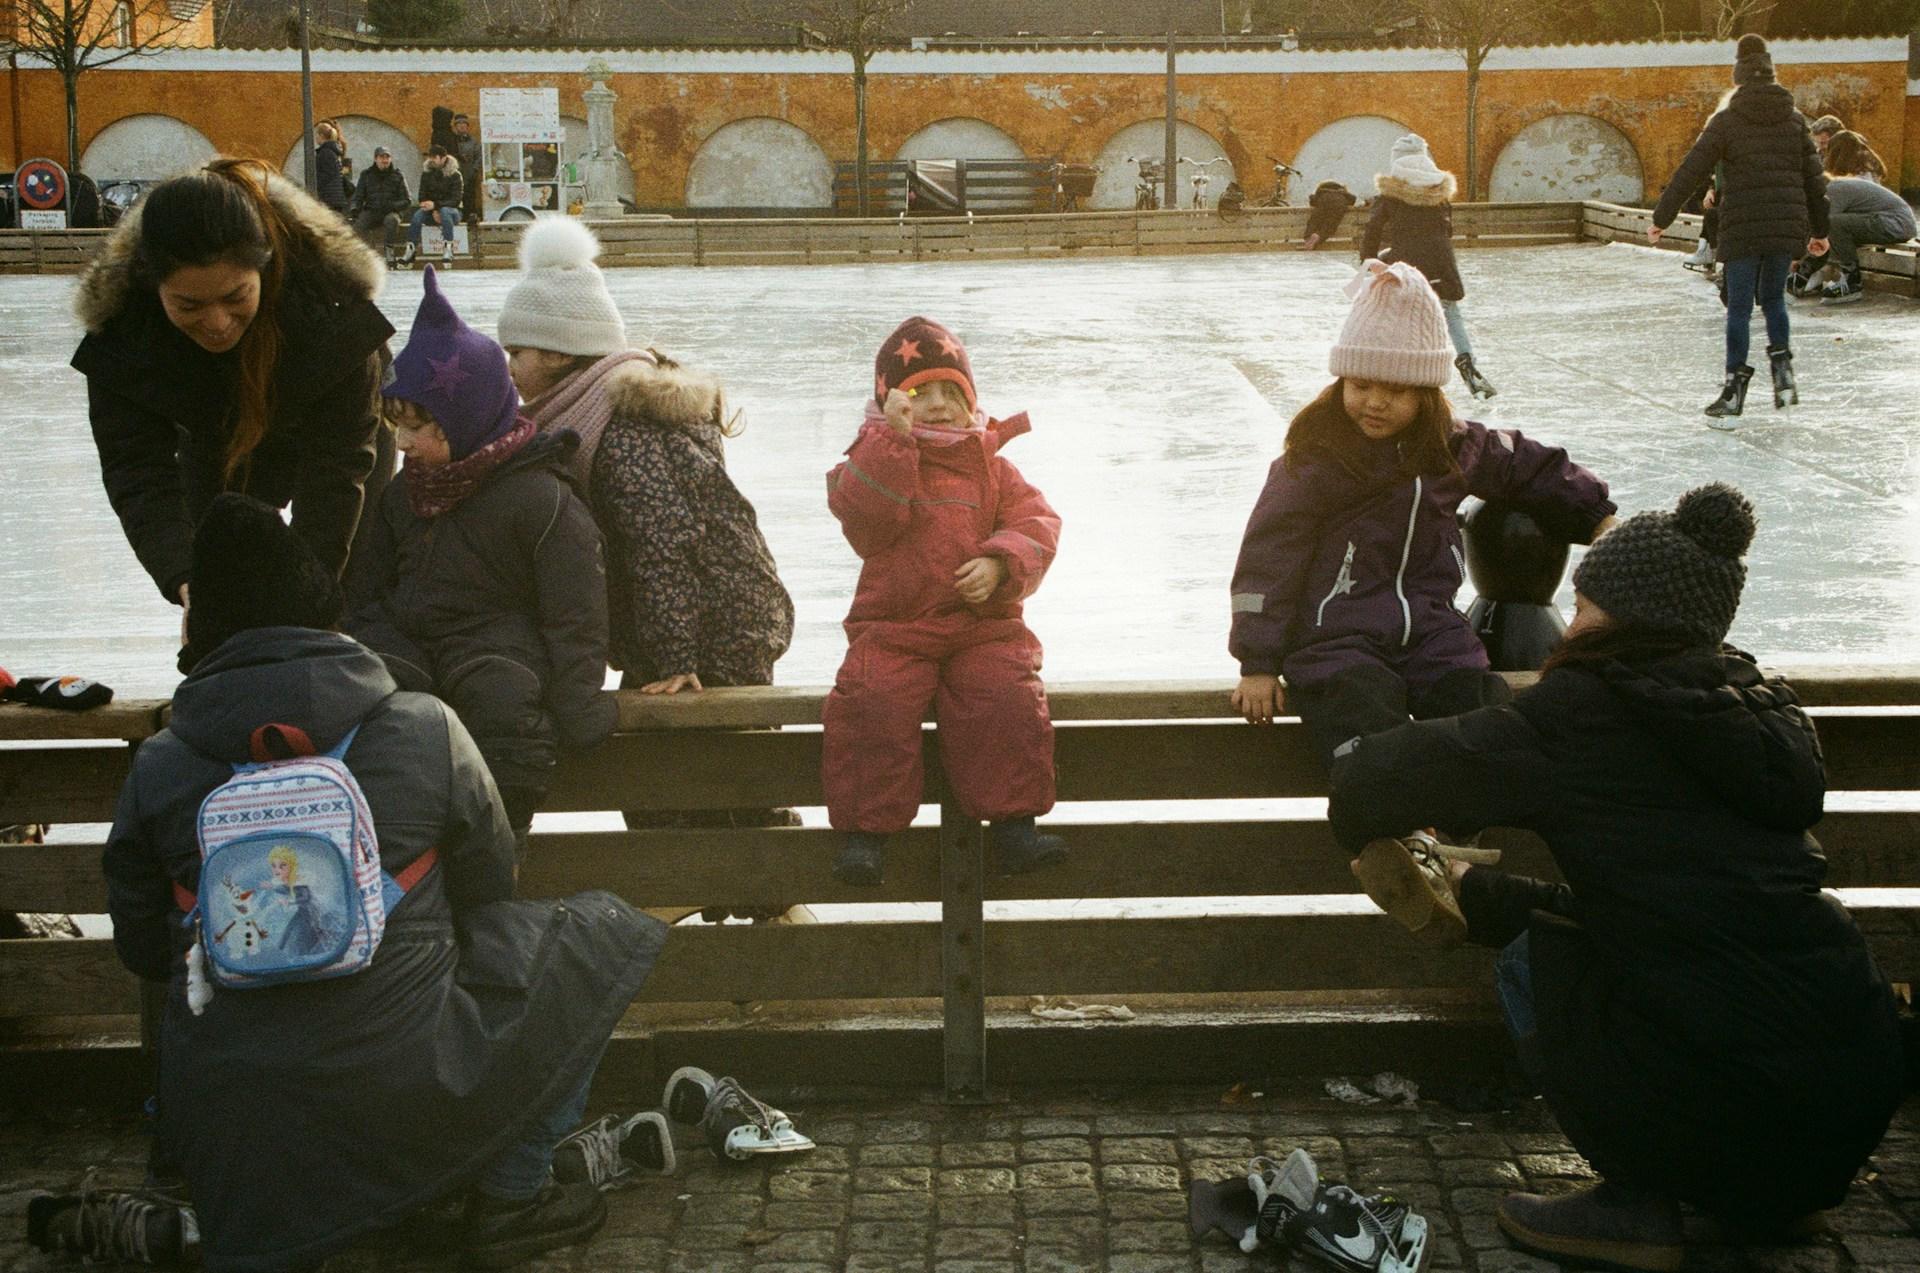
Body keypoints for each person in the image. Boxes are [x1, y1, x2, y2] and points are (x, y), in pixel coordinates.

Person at [1325, 483, 1904, 1273]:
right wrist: (1482, 896)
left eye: (1588, 605)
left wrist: (1356, 740)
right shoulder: (1757, 712)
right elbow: (1675, 913)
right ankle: (1770, 1196)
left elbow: (1381, 782)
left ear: (1621, 618)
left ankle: (1638, 1200)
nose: (1574, 622)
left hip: (1724, 1094)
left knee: (1532, 963)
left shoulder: (1585, 709)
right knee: (1688, 964)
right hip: (1849, 1094)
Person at [102, 491, 667, 1273]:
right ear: (320, 608)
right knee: (599, 935)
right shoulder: (421, 724)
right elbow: (490, 883)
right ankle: (511, 1195)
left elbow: (142, 945)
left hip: (233, 1115)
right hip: (412, 1085)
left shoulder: (161, 763)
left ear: (202, 629)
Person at [1229, 260, 1614, 888]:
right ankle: (1400, 841)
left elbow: (1532, 466)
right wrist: (1257, 659)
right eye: (1361, 382)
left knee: (1478, 702)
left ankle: (1454, 841)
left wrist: (1597, 514)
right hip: (1337, 633)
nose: (1375, 401)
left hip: (1432, 627)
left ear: (1428, 392)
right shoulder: (1314, 459)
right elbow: (1267, 558)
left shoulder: (1453, 448)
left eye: (1397, 389)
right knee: (1361, 710)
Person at [71, 158, 394, 668]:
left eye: (235, 296)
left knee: (344, 587)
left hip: (335, 432)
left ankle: (344, 688)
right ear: (152, 287)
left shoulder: (329, 304)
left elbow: (339, 467)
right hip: (216, 432)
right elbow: (138, 470)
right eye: (189, 306)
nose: (218, 323)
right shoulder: (124, 329)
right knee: (218, 579)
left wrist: (309, 601)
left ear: (265, 268)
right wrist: (187, 578)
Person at [345, 267, 617, 857]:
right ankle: (394, 849)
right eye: (397, 428)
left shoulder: (541, 498)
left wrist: (578, 698)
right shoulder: (403, 493)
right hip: (412, 642)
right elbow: (366, 588)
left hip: (498, 648)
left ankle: (500, 840)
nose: (405, 445)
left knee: (503, 698)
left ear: (467, 418)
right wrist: (367, 640)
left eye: (419, 429)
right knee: (378, 695)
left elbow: (577, 613)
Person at [498, 218, 794, 710]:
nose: (508, 369)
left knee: (705, 766)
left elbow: (663, 541)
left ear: (556, 353)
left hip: (718, 631)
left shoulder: (625, 431)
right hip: (693, 623)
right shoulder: (593, 412)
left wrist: (676, 656)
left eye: (517, 352)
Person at [822, 317, 1065, 886]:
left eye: (948, 393)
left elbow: (1039, 524)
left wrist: (1002, 561)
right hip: (894, 628)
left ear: (970, 402)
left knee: (1005, 697)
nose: (934, 405)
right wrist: (891, 440)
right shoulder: (867, 460)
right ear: (887, 404)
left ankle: (1014, 829)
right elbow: (866, 520)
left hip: (982, 629)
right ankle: (863, 836)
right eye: (916, 394)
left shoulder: (994, 467)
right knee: (870, 702)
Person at [1650, 35, 1828, 420]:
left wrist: (1661, 218)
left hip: (1743, 225)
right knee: (1776, 299)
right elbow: (1815, 180)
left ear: (1739, 78)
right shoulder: (1796, 122)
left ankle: (1733, 391)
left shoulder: (1726, 121)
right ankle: (1783, 372)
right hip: (1784, 225)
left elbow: (1691, 169)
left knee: (1740, 308)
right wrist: (1821, 230)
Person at [1359, 133, 1497, 399]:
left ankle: (1400, 370)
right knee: (1449, 310)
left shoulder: (1390, 193)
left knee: (1397, 309)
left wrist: (1369, 259)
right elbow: (1448, 229)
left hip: (1406, 260)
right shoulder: (1439, 192)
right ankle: (1467, 362)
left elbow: (1372, 229)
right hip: (1441, 261)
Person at [1793, 130, 1914, 304]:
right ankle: (1822, 279)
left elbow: (1822, 232)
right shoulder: (1830, 189)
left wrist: (1802, 266)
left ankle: (1852, 282)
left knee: (1831, 225)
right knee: (1829, 227)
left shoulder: (1833, 191)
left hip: (1895, 222)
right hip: (1889, 220)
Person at [347, 145, 412, 266]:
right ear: (375, 159)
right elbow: (358, 195)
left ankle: (389, 251)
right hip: (372, 210)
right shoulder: (366, 175)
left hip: (391, 211)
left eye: (387, 157)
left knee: (391, 220)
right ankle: (368, 254)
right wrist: (354, 209)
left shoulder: (398, 175)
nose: (385, 161)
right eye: (382, 157)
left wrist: (392, 206)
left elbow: (407, 200)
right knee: (359, 225)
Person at [403, 146, 464, 267]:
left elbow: (455, 200)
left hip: (453, 213)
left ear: (443, 158)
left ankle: (448, 248)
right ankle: (411, 248)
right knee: (417, 215)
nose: (431, 160)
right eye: (430, 157)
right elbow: (422, 196)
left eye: (434, 157)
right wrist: (430, 207)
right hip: (432, 212)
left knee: (445, 211)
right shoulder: (427, 174)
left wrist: (436, 207)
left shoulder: (455, 175)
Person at [1302, 179, 1358, 250]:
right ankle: (1319, 236)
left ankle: (1308, 237)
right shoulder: (1342, 192)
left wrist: (1313, 196)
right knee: (1330, 224)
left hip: (1323, 200)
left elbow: (1313, 201)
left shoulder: (1321, 191)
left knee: (1314, 220)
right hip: (1339, 202)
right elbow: (1353, 199)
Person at [451, 111, 485, 219]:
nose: (461, 126)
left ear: (467, 126)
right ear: (455, 127)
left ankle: (469, 217)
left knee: (469, 198)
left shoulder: (473, 142)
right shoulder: (451, 141)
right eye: (458, 124)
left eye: (464, 123)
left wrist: (474, 170)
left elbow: (479, 157)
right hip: (454, 174)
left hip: (469, 175)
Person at [311, 121, 348, 215]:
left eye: (316, 134)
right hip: (336, 198)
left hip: (328, 199)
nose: (315, 138)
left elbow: (327, 176)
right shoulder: (333, 151)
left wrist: (315, 187)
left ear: (321, 135)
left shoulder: (325, 153)